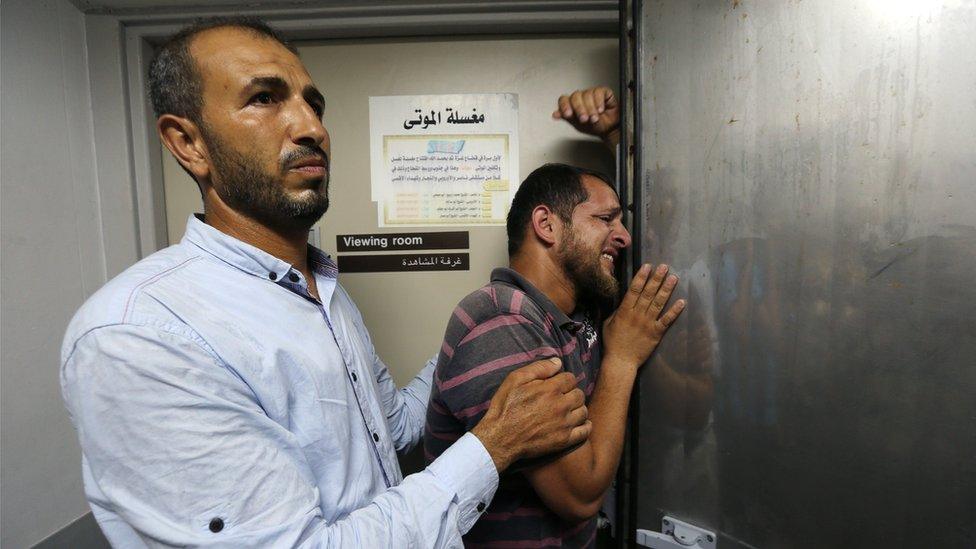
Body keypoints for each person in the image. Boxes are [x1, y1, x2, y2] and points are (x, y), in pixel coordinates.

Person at [60, 17, 594, 547]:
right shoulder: (142, 334)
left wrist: (479, 326)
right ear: (188, 142)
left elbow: (397, 427)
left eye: (313, 104)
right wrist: (493, 445)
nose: (312, 127)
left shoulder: (323, 293)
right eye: (264, 98)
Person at [424, 163, 686, 547]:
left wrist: (618, 129)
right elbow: (579, 495)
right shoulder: (501, 322)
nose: (625, 237)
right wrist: (622, 359)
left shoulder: (575, 312)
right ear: (546, 225)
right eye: (605, 218)